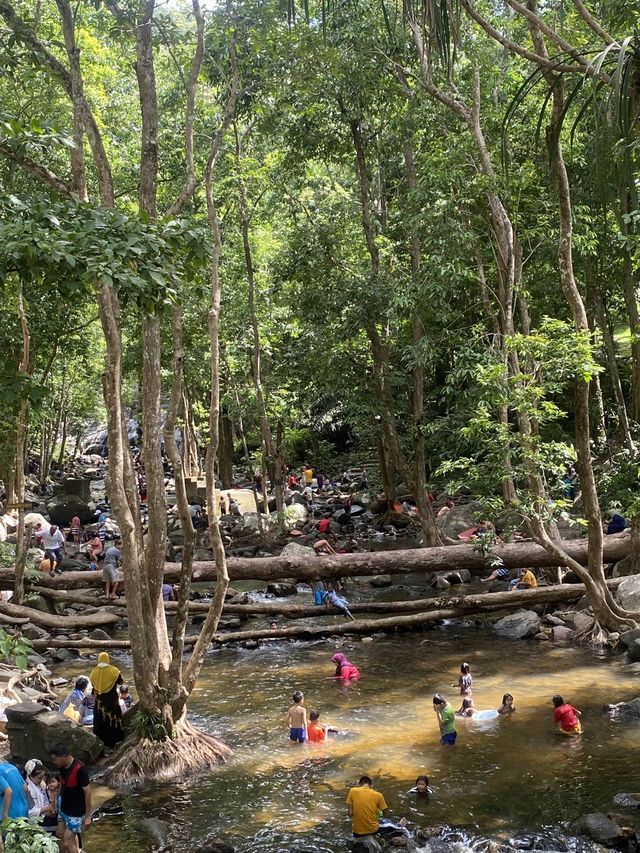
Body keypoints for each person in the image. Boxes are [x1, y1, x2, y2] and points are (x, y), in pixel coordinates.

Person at [48, 743, 91, 853]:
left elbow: (88, 792)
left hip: (76, 812)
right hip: (63, 807)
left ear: (64, 756)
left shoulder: (80, 769)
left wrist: (87, 816)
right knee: (60, 835)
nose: (54, 762)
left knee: (68, 842)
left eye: (55, 759)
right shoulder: (62, 767)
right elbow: (62, 783)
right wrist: (56, 800)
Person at [89, 652, 124, 747]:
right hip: (111, 700)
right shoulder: (114, 671)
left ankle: (100, 741)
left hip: (99, 701)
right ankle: (115, 740)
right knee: (113, 718)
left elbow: (93, 685)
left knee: (100, 720)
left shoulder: (93, 672)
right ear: (108, 659)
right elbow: (120, 681)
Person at [24, 759, 56, 825]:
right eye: (39, 778)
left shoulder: (40, 785)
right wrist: (46, 809)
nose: (41, 780)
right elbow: (29, 812)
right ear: (31, 776)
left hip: (47, 814)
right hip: (36, 820)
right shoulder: (28, 789)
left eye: (43, 777)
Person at [0, 760, 28, 824]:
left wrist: (5, 814)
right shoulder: (12, 767)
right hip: (23, 811)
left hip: (10, 814)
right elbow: (25, 788)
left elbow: (8, 791)